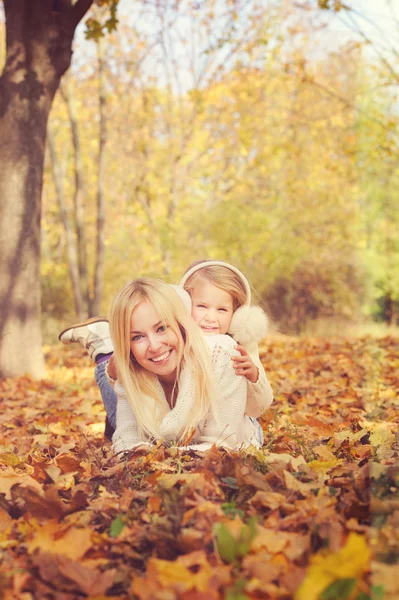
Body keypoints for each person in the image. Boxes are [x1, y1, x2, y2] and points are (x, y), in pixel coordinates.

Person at [59, 260, 273, 443]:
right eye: (202, 306)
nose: (210, 318)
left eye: (222, 310)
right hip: (169, 417)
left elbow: (256, 409)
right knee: (117, 373)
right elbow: (130, 399)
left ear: (237, 315)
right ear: (184, 304)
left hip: (232, 418)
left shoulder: (236, 347)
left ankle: (104, 345)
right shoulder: (171, 336)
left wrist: (253, 376)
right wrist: (117, 371)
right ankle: (106, 349)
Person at [104, 278, 260, 452]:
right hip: (123, 366)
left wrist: (155, 453)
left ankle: (101, 348)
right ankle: (101, 351)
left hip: (245, 429)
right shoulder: (130, 370)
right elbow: (126, 441)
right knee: (108, 374)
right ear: (128, 345)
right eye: (137, 337)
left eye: (162, 328)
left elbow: (221, 447)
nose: (155, 346)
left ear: (181, 324)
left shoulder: (224, 354)